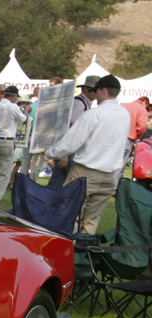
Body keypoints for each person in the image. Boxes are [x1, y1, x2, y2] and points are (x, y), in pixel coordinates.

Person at [46, 74, 131, 235]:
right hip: (109, 175)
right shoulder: (125, 115)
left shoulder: (93, 114)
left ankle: (69, 249)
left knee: (70, 214)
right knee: (92, 219)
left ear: (103, 91)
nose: (95, 95)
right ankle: (82, 252)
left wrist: (50, 152)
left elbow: (70, 144)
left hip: (86, 172)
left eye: (97, 91)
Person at [48, 75, 99, 189]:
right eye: (94, 91)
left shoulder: (81, 103)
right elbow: (67, 129)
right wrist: (65, 154)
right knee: (73, 184)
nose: (96, 94)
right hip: (69, 152)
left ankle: (47, 203)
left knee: (57, 182)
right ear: (86, 89)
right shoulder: (79, 104)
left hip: (68, 150)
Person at [0, 85, 27, 208]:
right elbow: (24, 120)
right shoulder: (13, 106)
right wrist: (25, 110)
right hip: (6, 140)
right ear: (14, 96)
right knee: (4, 173)